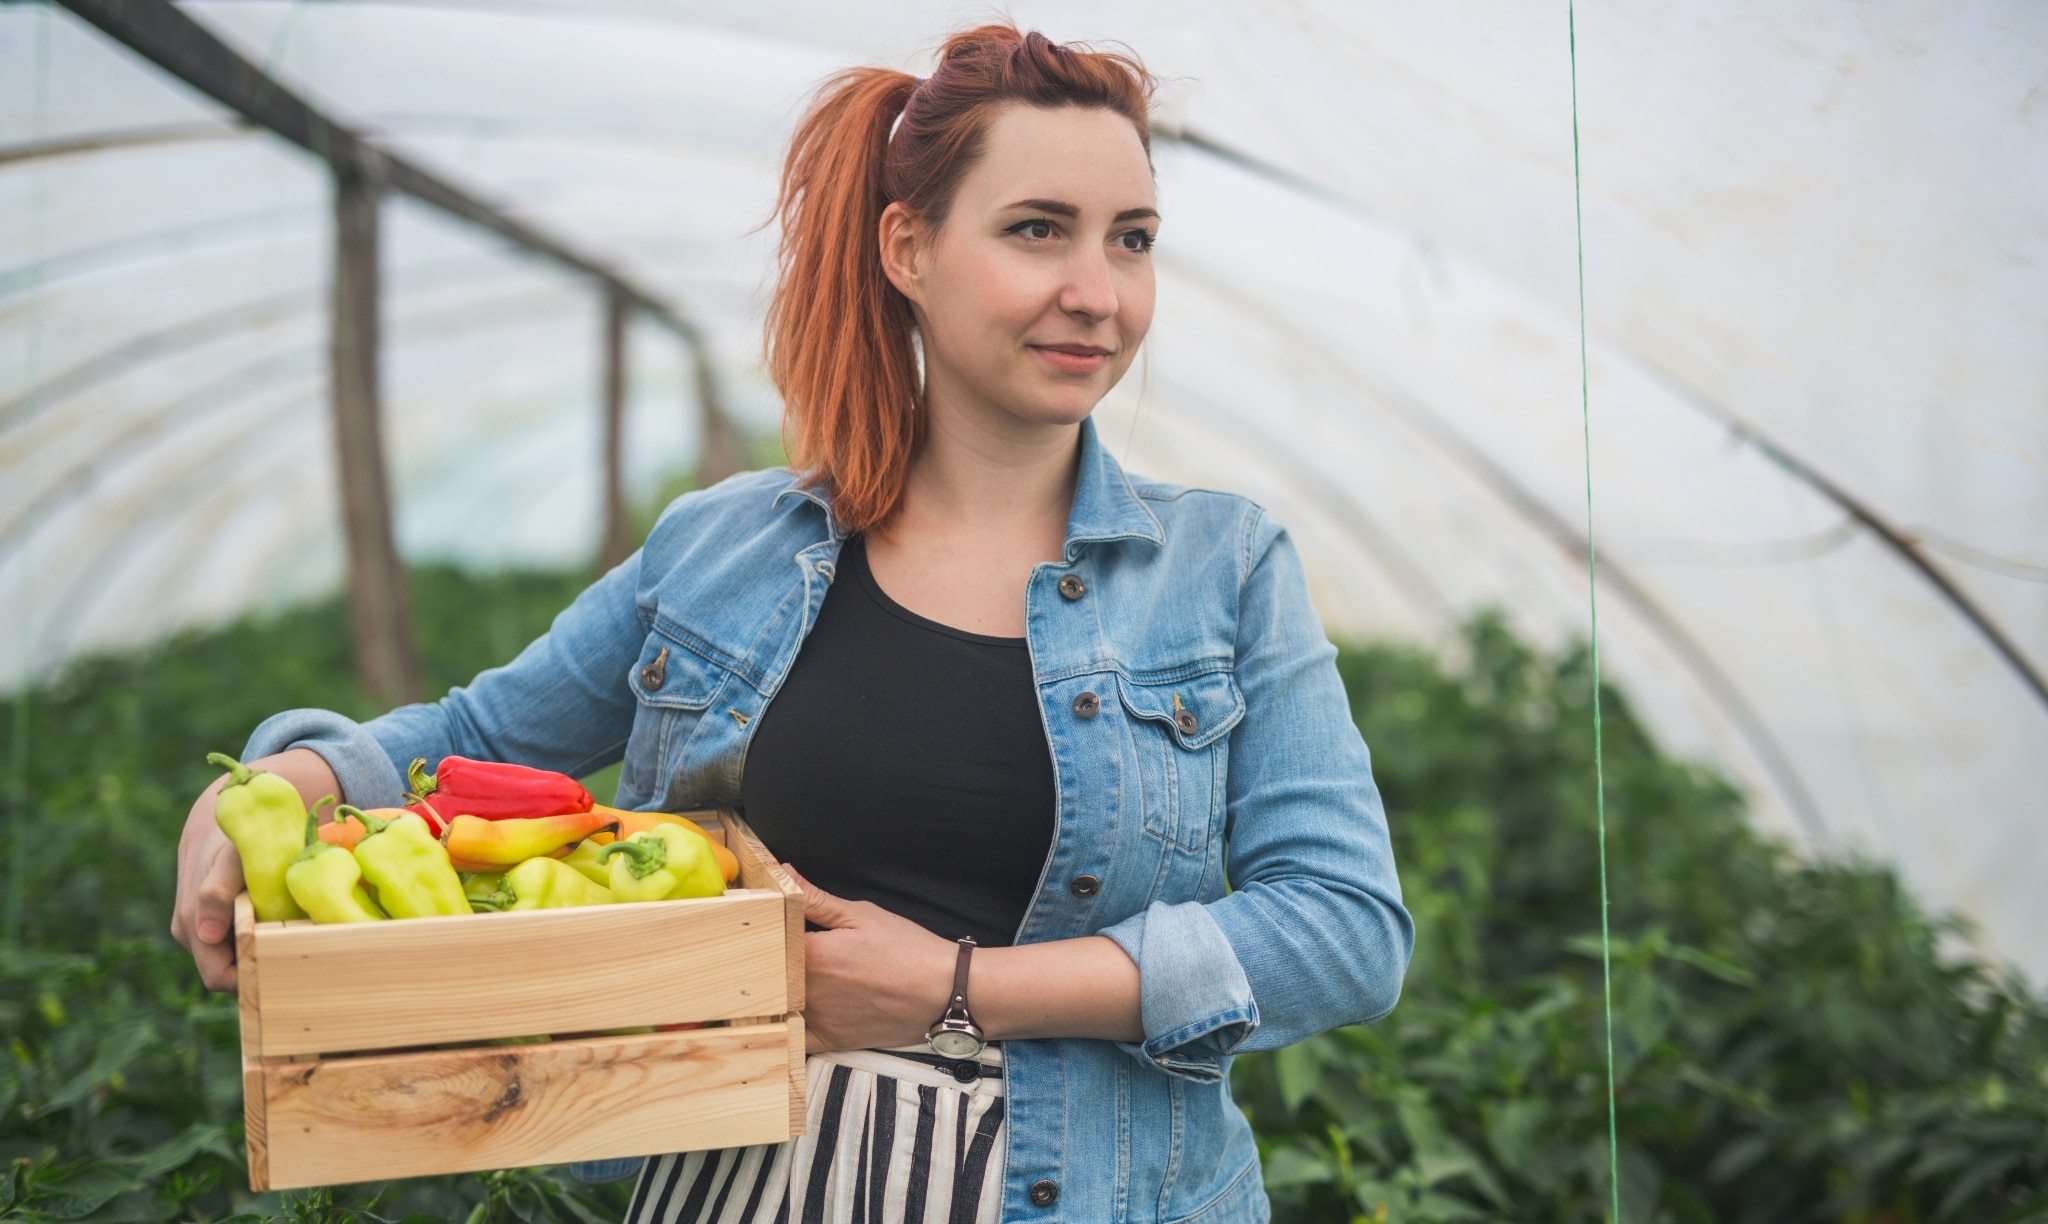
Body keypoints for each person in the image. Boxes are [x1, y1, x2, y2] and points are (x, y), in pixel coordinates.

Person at [170, 24, 1412, 1224]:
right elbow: (476, 740)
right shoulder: (727, 550)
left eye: (1130, 240)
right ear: (906, 248)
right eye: (1038, 231)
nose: (1095, 293)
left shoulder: (1222, 569)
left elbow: (1344, 928)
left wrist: (957, 988)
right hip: (737, 1184)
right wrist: (284, 776)